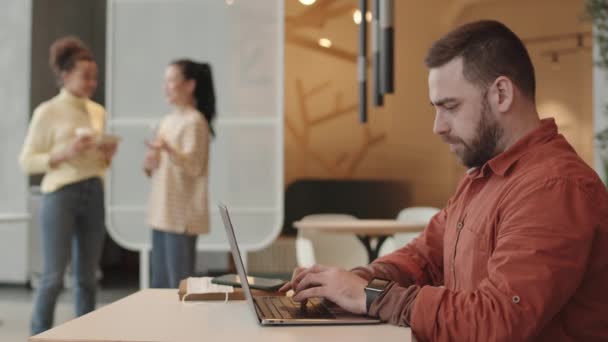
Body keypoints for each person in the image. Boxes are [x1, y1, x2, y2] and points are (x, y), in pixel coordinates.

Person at [280, 20, 608, 341]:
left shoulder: (554, 188)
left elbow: (496, 320)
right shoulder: (481, 178)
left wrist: (368, 296)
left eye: (450, 106)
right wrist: (351, 282)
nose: (438, 126)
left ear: (502, 94)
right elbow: (422, 258)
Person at [19, 36, 118, 335]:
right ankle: (39, 334)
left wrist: (105, 155)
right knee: (52, 277)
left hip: (94, 191)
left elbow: (99, 164)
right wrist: (65, 153)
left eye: (94, 77)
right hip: (60, 195)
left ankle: (85, 335)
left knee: (88, 278)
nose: (92, 82)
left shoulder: (98, 112)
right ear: (65, 75)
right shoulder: (47, 112)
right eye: (85, 76)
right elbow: (27, 161)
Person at [144, 59, 215, 288]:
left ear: (189, 85)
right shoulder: (168, 120)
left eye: (171, 81)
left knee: (178, 286)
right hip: (162, 213)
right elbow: (154, 169)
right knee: (159, 285)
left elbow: (195, 166)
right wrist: (151, 161)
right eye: (165, 81)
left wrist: (168, 150)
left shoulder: (195, 122)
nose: (166, 87)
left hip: (182, 216)